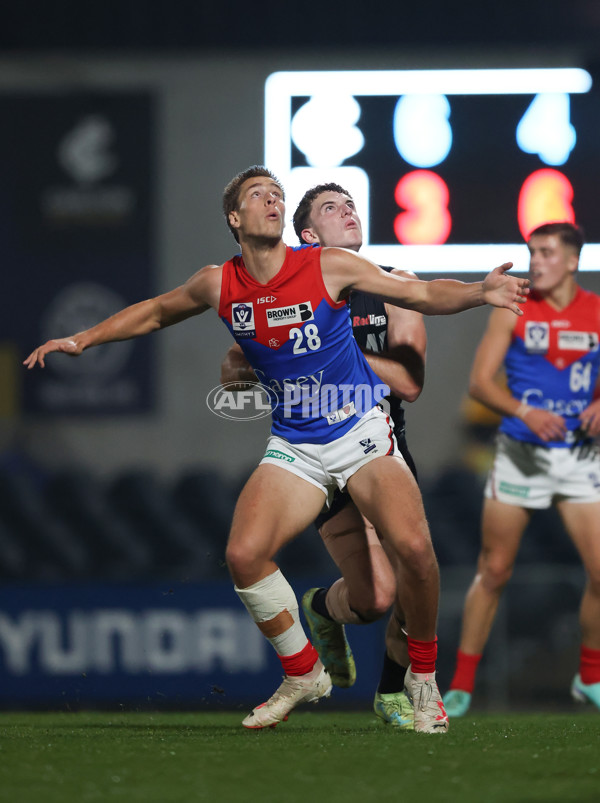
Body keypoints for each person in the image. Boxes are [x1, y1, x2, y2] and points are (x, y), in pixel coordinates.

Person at [24, 165, 528, 732]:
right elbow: (158, 311)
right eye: (258, 195)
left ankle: (422, 682)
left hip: (360, 431)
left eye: (277, 194)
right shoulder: (220, 283)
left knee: (414, 551)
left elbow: (420, 292)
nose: (271, 200)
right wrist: (83, 338)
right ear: (235, 219)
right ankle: (303, 672)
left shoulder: (326, 265)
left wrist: (481, 292)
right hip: (297, 442)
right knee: (244, 555)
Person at [221, 182, 426, 730]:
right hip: (317, 451)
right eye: (333, 209)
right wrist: (247, 365)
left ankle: (391, 692)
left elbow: (408, 384)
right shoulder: (297, 287)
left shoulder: (396, 287)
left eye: (352, 204)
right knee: (375, 597)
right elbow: (236, 361)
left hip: (380, 444)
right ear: (309, 235)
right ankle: (320, 610)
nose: (351, 212)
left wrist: (335, 349)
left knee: (410, 571)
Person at [443, 221, 600, 717]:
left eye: (548, 252)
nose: (537, 260)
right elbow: (479, 384)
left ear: (573, 261)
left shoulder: (597, 312)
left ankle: (590, 676)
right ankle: (462, 685)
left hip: (579, 455)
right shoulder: (513, 308)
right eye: (533, 251)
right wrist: (525, 411)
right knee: (494, 570)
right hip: (521, 453)